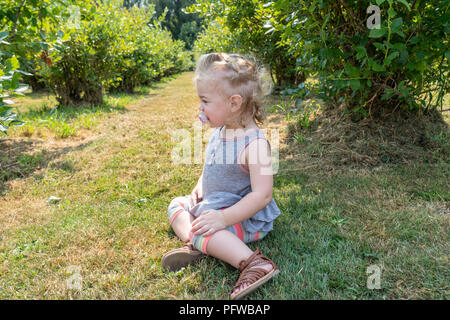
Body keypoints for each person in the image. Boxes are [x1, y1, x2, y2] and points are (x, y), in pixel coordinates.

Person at [162, 53, 281, 300]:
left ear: (234, 103)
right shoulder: (221, 129)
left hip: (242, 215)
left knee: (205, 228)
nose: (200, 108)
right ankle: (199, 242)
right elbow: (211, 165)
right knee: (177, 205)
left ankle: (254, 264)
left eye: (205, 101)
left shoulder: (254, 144)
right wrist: (199, 187)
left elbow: (262, 195)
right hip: (213, 204)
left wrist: (223, 217)